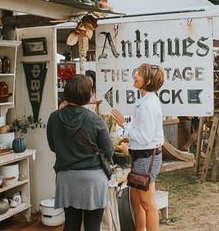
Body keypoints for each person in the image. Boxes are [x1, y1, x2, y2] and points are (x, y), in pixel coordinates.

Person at [47, 75, 114, 231]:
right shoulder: (95, 120)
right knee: (92, 225)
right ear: (87, 95)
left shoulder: (54, 118)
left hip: (66, 178)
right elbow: (108, 151)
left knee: (70, 224)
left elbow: (53, 146)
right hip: (93, 179)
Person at [111, 63, 164, 231]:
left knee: (147, 203)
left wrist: (123, 126)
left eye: (139, 74)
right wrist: (128, 134)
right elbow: (142, 132)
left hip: (146, 157)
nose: (135, 76)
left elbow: (144, 137)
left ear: (147, 81)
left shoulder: (148, 104)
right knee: (135, 197)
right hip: (143, 156)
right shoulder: (146, 101)